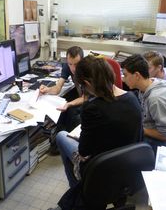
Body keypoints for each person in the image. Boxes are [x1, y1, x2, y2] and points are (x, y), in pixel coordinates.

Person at [48, 56, 143, 210]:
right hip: (127, 167)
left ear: (87, 84)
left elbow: (84, 151)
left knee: (61, 136)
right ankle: (84, 193)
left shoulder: (92, 108)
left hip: (99, 169)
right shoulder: (133, 98)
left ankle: (82, 192)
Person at [121, 54, 166, 154]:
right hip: (152, 129)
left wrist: (138, 128)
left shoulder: (157, 99)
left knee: (121, 142)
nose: (123, 79)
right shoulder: (148, 85)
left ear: (137, 75)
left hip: (162, 144)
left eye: (125, 75)